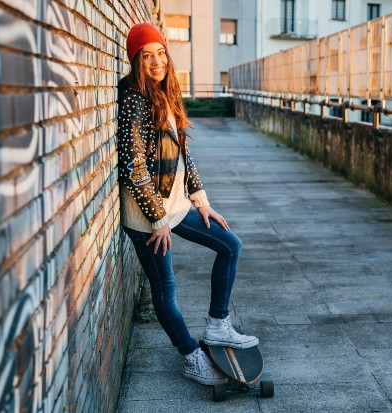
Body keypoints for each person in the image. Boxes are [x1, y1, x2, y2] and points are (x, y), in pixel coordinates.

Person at [117, 23, 258, 385]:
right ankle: (191, 356)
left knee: (230, 245)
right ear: (135, 61)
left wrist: (202, 201)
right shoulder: (134, 98)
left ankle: (218, 326)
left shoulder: (167, 92)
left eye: (160, 52)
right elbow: (133, 164)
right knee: (165, 289)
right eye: (146, 56)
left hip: (176, 205)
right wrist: (157, 218)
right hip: (148, 216)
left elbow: (183, 152)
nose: (156, 61)